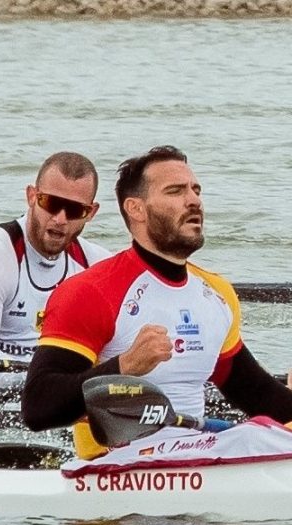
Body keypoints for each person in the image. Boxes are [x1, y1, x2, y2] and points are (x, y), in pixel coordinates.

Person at [21, 145, 292, 459]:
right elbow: (38, 407)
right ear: (136, 209)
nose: (193, 200)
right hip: (115, 468)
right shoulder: (91, 292)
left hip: (196, 456)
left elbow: (256, 394)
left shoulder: (216, 293)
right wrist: (124, 366)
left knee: (265, 434)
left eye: (195, 190)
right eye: (175, 191)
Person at [0, 152, 110, 365]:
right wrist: (49, 381)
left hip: (44, 386)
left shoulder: (97, 265)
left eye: (74, 210)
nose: (60, 219)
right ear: (31, 196)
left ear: (91, 213)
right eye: (51, 204)